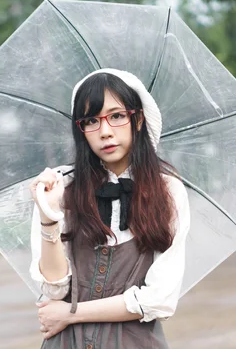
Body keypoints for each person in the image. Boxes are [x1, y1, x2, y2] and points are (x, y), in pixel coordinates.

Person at [29, 69, 191, 349]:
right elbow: (55, 289)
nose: (105, 132)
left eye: (116, 116)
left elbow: (160, 299)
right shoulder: (60, 188)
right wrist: (49, 217)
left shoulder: (168, 190)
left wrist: (70, 314)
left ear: (137, 119)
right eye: (91, 120)